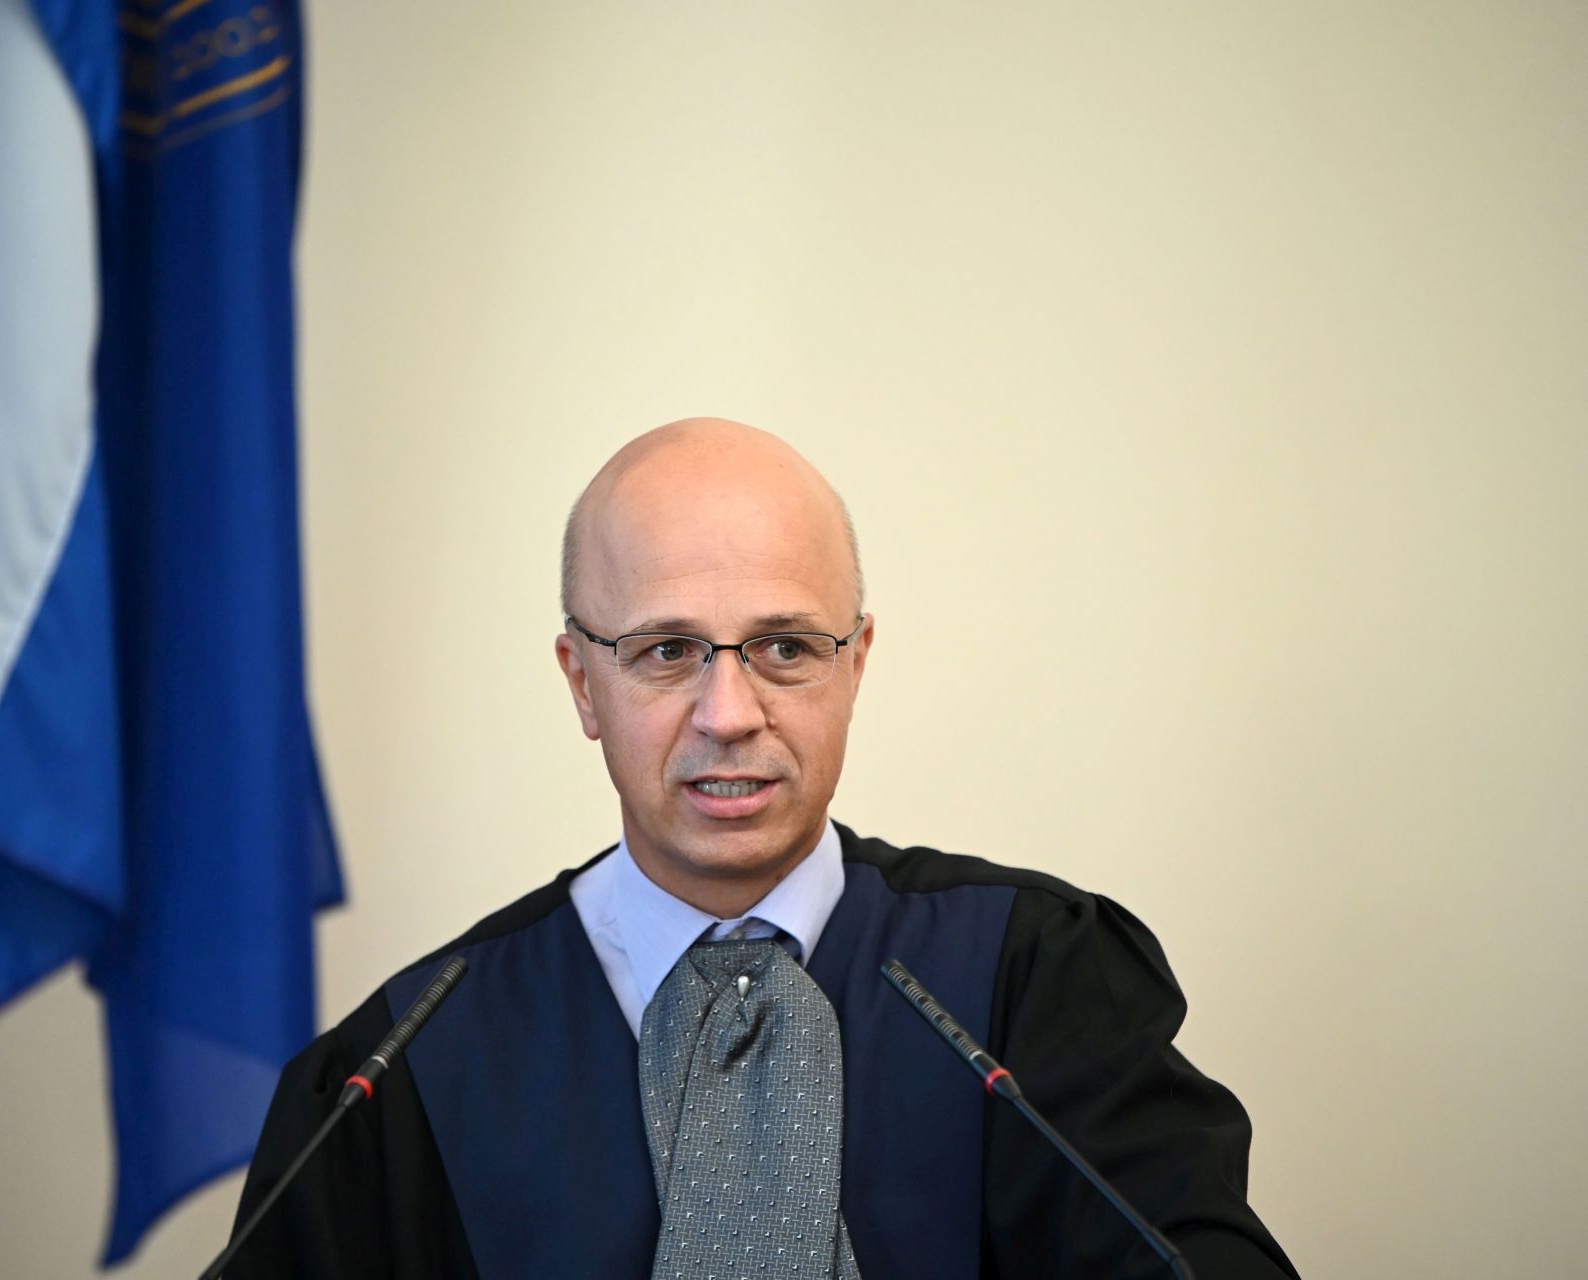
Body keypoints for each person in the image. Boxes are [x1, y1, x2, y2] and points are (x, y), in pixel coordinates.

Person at [228, 419, 1299, 1278]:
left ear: (856, 663)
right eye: (666, 651)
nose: (729, 713)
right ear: (581, 682)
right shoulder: (401, 1064)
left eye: (786, 646)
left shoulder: (1031, 978)